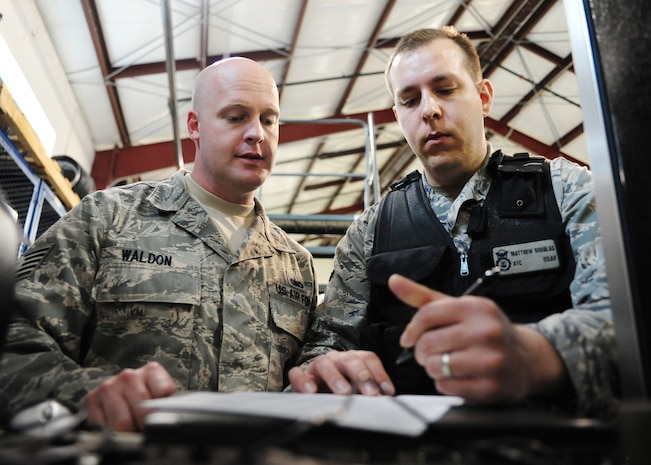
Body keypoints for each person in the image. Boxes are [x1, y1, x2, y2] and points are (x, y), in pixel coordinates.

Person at [289, 26, 618, 418]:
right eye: (410, 100)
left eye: (445, 90)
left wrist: (539, 354)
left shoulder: (566, 191)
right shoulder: (369, 232)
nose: (428, 109)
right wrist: (324, 370)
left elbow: (623, 319)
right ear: (398, 116)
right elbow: (328, 343)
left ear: (483, 98)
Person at [0, 57, 317, 432]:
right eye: (236, 116)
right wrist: (84, 392)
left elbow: (310, 379)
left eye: (269, 119)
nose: (257, 134)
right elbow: (14, 341)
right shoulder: (108, 218)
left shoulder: (295, 264)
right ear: (195, 127)